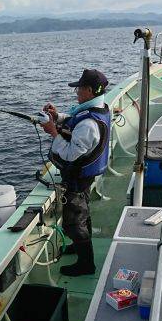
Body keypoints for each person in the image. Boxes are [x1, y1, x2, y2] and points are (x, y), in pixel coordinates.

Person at [41, 68, 111, 276]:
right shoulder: (99, 108)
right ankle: (80, 247)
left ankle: (86, 264)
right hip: (85, 177)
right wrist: (57, 116)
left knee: (73, 221)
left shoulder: (89, 124)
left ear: (89, 90)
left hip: (77, 178)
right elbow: (75, 120)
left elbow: (71, 154)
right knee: (83, 211)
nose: (76, 92)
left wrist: (54, 133)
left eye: (79, 89)